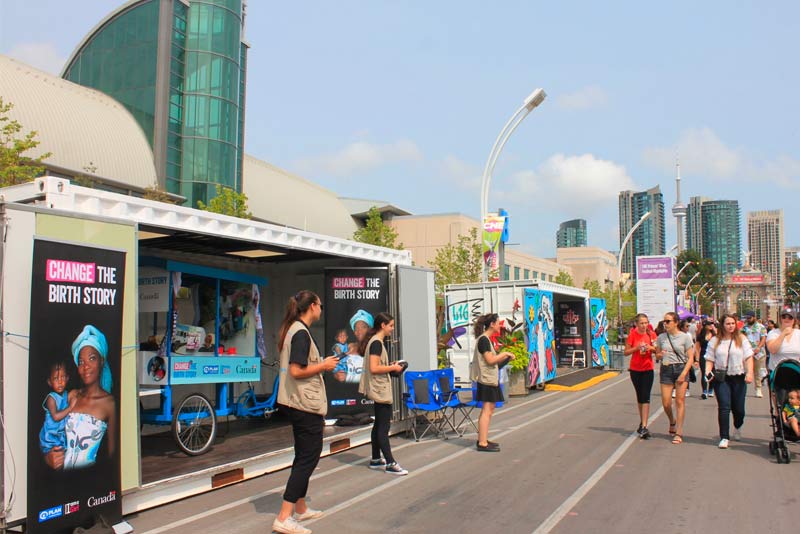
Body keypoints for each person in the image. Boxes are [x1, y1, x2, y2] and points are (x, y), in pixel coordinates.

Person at [272, 291, 338, 534]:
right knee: (308, 458)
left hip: (298, 403)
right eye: (320, 305)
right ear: (312, 306)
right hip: (304, 405)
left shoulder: (295, 329)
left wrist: (322, 362)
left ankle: (299, 508)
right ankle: (283, 516)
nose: (321, 309)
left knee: (303, 456)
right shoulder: (300, 333)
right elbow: (296, 371)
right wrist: (324, 365)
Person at [44, 325, 116, 470]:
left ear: (102, 361)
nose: (86, 366)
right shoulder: (71, 396)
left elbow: (113, 456)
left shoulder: (109, 404)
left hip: (88, 480)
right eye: (81, 362)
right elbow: (50, 431)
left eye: (92, 358)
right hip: (61, 478)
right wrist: (48, 456)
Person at [357, 312, 407, 475]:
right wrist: (393, 368)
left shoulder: (375, 342)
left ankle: (376, 458)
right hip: (380, 389)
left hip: (378, 387)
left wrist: (390, 365)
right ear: (383, 326)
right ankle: (390, 462)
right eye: (391, 325)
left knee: (379, 423)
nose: (392, 329)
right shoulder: (377, 343)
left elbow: (377, 365)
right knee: (383, 427)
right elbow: (374, 368)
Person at [704, 313, 754, 449]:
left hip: (738, 376)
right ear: (722, 325)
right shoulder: (715, 341)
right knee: (724, 407)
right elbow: (709, 359)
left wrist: (749, 373)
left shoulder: (742, 339)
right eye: (728, 323)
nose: (731, 326)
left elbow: (749, 357)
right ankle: (724, 437)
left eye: (733, 323)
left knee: (739, 409)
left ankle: (737, 426)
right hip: (721, 378)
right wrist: (707, 373)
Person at [471, 313, 514, 452]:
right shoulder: (483, 340)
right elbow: (490, 360)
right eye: (498, 322)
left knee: (489, 410)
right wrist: (504, 353)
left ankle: (483, 439)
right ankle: (482, 442)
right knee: (486, 411)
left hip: (490, 379)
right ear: (492, 324)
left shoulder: (486, 340)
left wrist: (505, 359)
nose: (500, 325)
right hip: (486, 380)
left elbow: (493, 364)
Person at [655, 312, 695, 444]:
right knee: (666, 402)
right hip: (666, 368)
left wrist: (684, 373)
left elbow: (690, 357)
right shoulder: (661, 337)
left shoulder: (685, 337)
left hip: (680, 368)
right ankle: (672, 420)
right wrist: (659, 355)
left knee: (679, 401)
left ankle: (679, 432)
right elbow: (657, 355)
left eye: (668, 321)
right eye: (664, 321)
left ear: (676, 322)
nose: (665, 324)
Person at [623, 314, 656, 439]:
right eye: (642, 323)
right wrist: (636, 348)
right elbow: (626, 352)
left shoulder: (651, 334)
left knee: (646, 396)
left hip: (648, 368)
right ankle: (642, 422)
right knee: (640, 396)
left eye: (646, 323)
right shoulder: (633, 334)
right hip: (635, 369)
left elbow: (657, 350)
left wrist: (650, 347)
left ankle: (644, 426)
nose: (644, 325)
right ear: (637, 324)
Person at [38, 361, 75, 454]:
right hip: (50, 436)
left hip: (61, 434)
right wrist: (70, 407)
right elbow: (56, 417)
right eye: (55, 378)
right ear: (49, 382)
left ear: (67, 378)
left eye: (62, 377)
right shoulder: (51, 398)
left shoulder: (67, 394)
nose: (60, 381)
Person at [765, 307, 800, 371]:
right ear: (780, 319)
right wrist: (783, 334)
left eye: (790, 317)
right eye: (784, 317)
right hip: (777, 373)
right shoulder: (773, 333)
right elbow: (772, 350)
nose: (787, 319)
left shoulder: (798, 333)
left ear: (794, 320)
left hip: (796, 372)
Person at [742, 311, 767, 397]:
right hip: (747, 352)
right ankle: (742, 389)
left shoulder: (761, 327)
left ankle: (758, 389)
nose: (748, 319)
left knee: (757, 371)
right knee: (746, 370)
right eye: (747, 318)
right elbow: (741, 338)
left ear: (754, 317)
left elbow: (763, 338)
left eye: (749, 318)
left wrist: (758, 347)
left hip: (758, 353)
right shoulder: (744, 328)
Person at [695, 321, 717, 399]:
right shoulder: (700, 336)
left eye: (711, 324)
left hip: (713, 357)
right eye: (709, 324)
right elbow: (697, 348)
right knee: (704, 373)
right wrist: (697, 360)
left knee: (713, 373)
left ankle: (711, 389)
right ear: (705, 326)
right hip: (703, 356)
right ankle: (704, 391)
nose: (711, 326)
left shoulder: (715, 335)